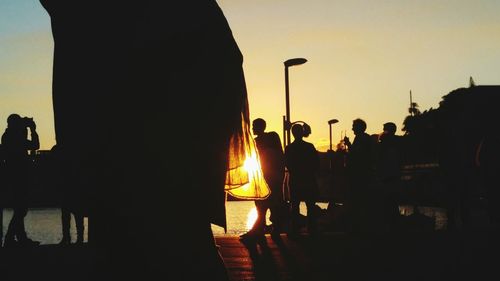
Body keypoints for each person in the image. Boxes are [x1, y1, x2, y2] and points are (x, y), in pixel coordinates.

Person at [40, 1, 250, 280]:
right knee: (183, 243)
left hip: (127, 149)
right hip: (161, 149)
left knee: (133, 246)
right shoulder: (195, 18)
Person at [240, 118, 286, 242]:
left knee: (269, 204)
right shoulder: (257, 141)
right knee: (262, 206)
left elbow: (277, 156)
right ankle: (262, 229)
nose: (253, 128)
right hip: (264, 177)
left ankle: (265, 229)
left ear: (261, 127)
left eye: (255, 126)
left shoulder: (269, 138)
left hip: (270, 177)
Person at [1, 114, 40, 247]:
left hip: (14, 176)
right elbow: (35, 145)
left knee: (19, 208)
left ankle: (20, 239)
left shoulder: (8, 136)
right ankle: (10, 239)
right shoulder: (14, 137)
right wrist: (32, 130)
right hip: (19, 176)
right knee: (21, 210)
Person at [285, 123, 320, 236]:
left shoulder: (289, 148)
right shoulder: (309, 147)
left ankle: (295, 229)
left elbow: (288, 164)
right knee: (310, 205)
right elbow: (316, 163)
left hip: (295, 179)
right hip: (309, 179)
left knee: (295, 205)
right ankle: (312, 228)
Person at [343, 118, 377, 232]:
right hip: (362, 174)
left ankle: (359, 226)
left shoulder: (362, 139)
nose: (352, 128)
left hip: (360, 175)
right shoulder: (364, 138)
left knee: (358, 200)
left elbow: (357, 155)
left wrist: (348, 144)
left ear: (358, 127)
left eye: (353, 126)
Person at [50, 145, 85, 245]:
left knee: (67, 214)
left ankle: (67, 238)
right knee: (76, 214)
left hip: (66, 186)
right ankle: (78, 238)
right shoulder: (73, 150)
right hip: (71, 186)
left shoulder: (58, 149)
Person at [376, 122, 403, 231]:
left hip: (387, 177)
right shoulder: (397, 143)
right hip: (394, 176)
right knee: (393, 203)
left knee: (387, 202)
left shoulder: (385, 144)